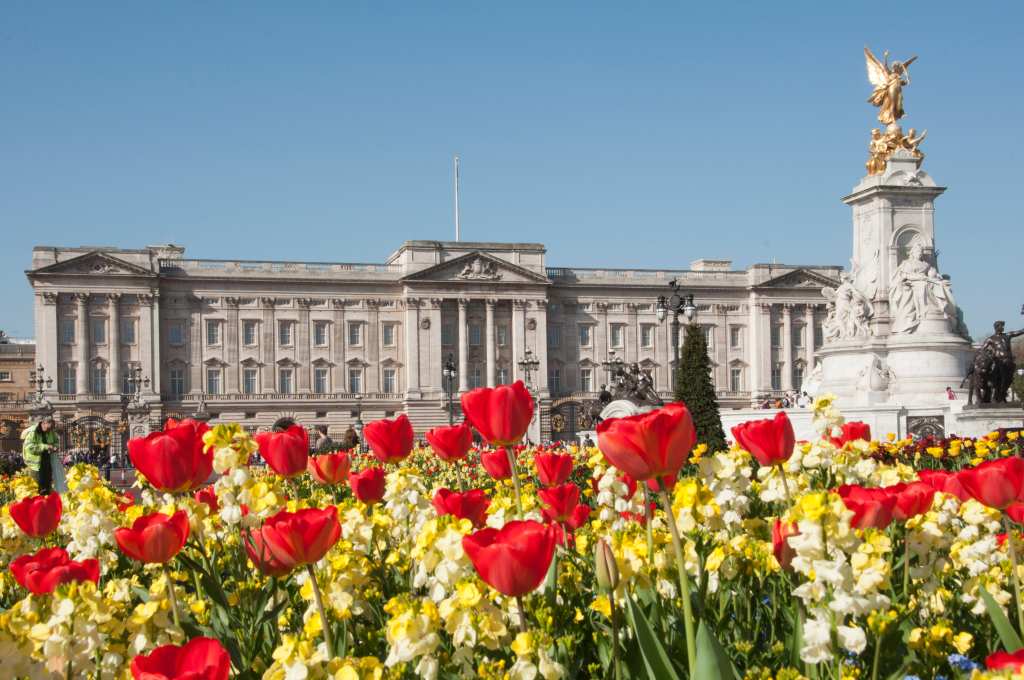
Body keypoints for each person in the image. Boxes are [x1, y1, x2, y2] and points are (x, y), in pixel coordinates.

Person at [21, 416, 64, 494]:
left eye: (51, 429)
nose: (49, 431)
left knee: (47, 485)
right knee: (37, 487)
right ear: (44, 423)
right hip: (35, 465)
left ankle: (47, 502)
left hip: (47, 462)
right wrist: (45, 446)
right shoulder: (33, 432)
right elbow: (29, 448)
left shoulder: (51, 431)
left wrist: (55, 447)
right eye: (48, 428)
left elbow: (56, 441)